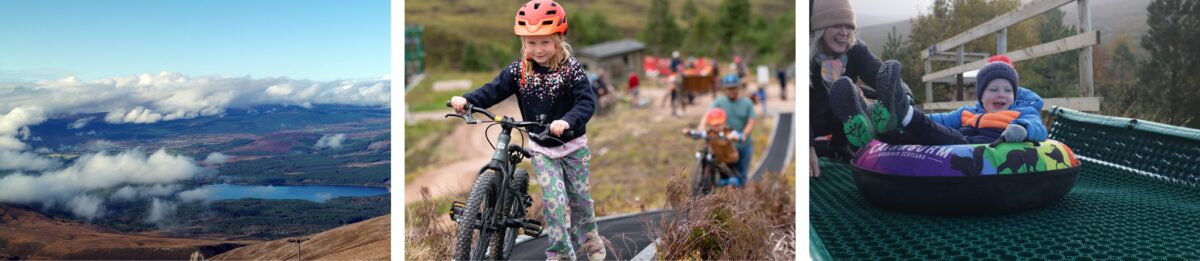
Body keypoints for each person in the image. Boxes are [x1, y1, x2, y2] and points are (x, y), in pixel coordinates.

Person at [448, 1, 604, 259]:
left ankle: (589, 238)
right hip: (542, 149)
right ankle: (561, 254)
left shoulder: (571, 70)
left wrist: (567, 121)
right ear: (523, 43)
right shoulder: (519, 71)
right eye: (531, 43)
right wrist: (467, 101)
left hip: (573, 147)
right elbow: (493, 89)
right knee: (554, 204)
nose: (538, 49)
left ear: (558, 39)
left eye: (544, 42)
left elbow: (586, 103)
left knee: (580, 201)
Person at [828, 56, 1046, 148]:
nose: (1002, 94)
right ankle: (876, 125)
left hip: (978, 150)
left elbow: (1039, 129)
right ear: (981, 95)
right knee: (919, 132)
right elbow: (938, 120)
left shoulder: (1021, 114)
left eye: (1008, 90)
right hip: (957, 143)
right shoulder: (969, 113)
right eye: (994, 89)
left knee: (943, 135)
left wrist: (1024, 129)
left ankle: (903, 114)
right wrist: (910, 124)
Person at [810, 0, 887, 177]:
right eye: (837, 25)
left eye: (848, 26)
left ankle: (841, 145)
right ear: (821, 27)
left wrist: (902, 96)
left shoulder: (855, 49)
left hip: (842, 124)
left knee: (856, 92)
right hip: (815, 120)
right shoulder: (807, 58)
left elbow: (881, 75)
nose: (844, 33)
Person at [697, 74, 756, 182]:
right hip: (725, 144)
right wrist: (701, 126)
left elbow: (751, 121)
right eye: (729, 88)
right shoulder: (720, 102)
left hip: (742, 144)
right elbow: (708, 114)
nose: (731, 91)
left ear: (738, 88)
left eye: (733, 88)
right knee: (724, 174)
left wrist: (744, 134)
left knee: (741, 176)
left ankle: (742, 195)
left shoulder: (747, 103)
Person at [683, 108, 744, 186]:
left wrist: (732, 137)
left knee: (733, 181)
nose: (716, 127)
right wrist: (689, 132)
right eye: (714, 125)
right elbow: (700, 134)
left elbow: (738, 136)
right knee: (719, 175)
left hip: (729, 160)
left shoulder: (728, 131)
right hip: (719, 160)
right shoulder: (710, 132)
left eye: (719, 124)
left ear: (724, 122)